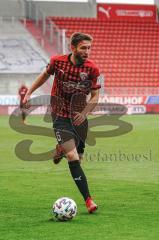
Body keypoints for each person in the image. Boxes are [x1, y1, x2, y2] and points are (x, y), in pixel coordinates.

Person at [23, 32, 101, 213]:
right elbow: (44, 75)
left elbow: (96, 95)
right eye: (83, 48)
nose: (87, 51)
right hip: (60, 114)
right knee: (73, 156)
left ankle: (60, 149)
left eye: (89, 48)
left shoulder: (93, 69)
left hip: (79, 116)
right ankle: (89, 200)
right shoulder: (57, 61)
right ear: (73, 48)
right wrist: (29, 92)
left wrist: (85, 113)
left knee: (79, 159)